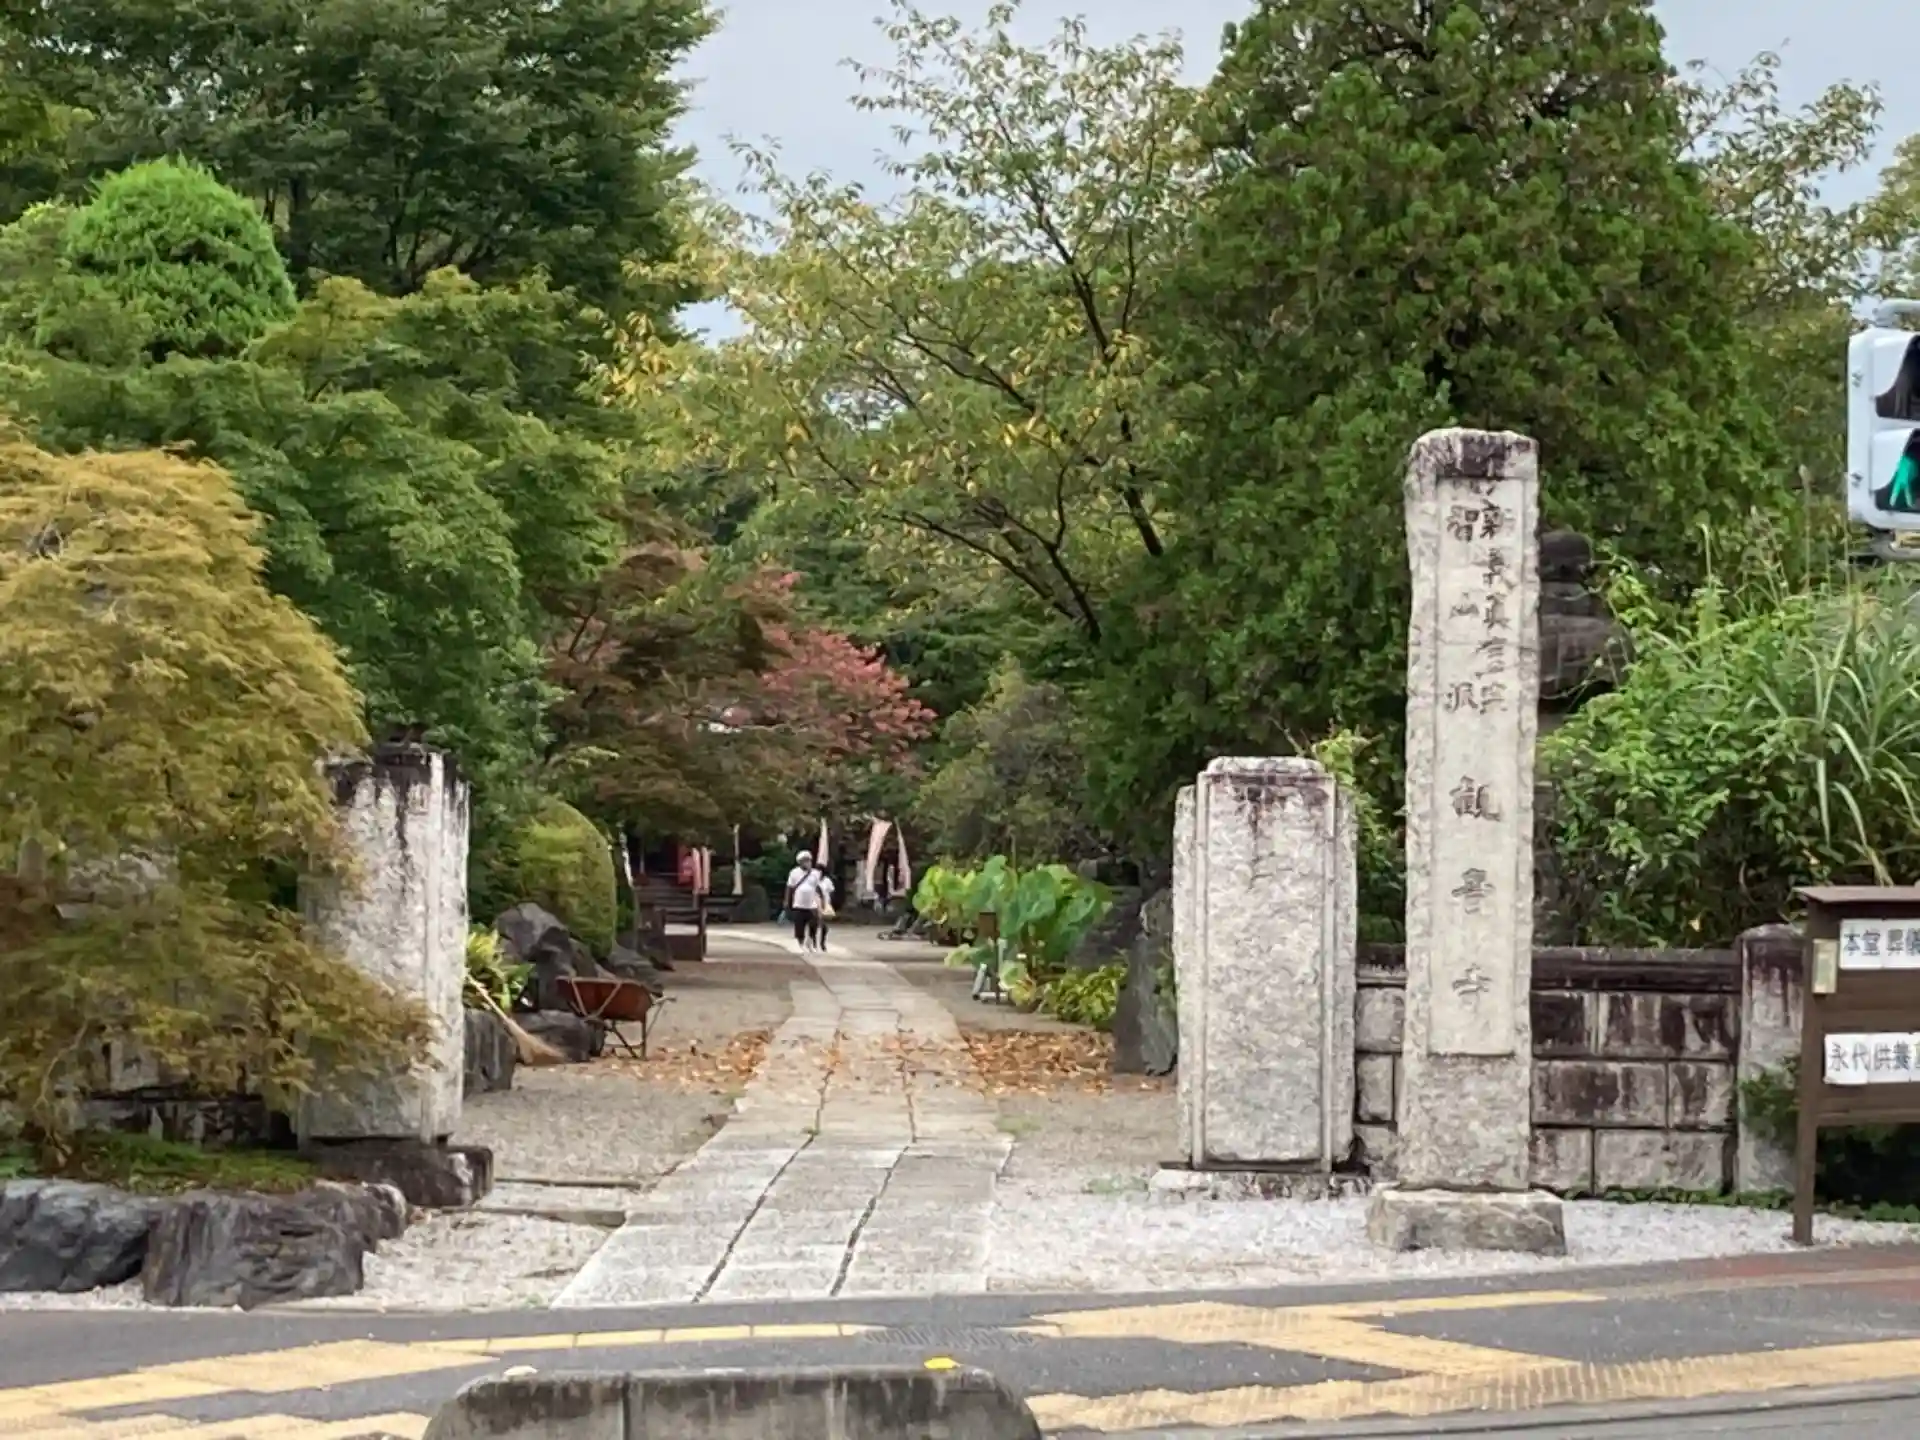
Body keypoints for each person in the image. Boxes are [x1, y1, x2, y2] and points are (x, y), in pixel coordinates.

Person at [784, 850, 814, 945]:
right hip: (799, 904)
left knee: (813, 923)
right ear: (800, 862)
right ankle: (800, 941)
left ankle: (811, 940)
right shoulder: (794, 872)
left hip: (812, 904)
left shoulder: (815, 873)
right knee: (799, 924)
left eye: (809, 860)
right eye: (805, 860)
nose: (808, 862)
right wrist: (786, 900)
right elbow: (789, 887)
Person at [808, 862, 837, 952]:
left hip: (824, 904)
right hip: (813, 904)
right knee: (814, 923)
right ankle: (813, 941)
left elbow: (831, 892)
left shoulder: (827, 881)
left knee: (824, 926)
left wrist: (829, 903)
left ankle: (822, 942)